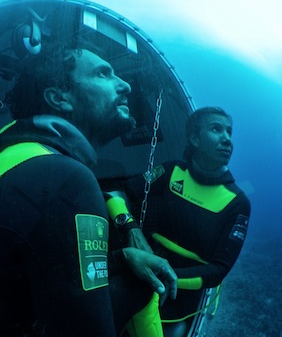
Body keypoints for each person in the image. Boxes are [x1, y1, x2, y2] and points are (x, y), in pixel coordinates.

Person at [0, 32, 177, 336]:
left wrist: (121, 257)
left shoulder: (3, 162)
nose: (126, 85)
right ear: (59, 98)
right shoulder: (66, 178)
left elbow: (20, 277)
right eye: (103, 73)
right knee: (141, 285)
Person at [104, 107, 251, 337]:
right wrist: (129, 226)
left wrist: (163, 275)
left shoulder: (237, 202)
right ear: (194, 138)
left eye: (229, 132)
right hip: (140, 268)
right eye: (216, 129)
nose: (227, 139)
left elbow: (219, 270)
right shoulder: (171, 171)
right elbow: (117, 193)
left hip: (180, 292)